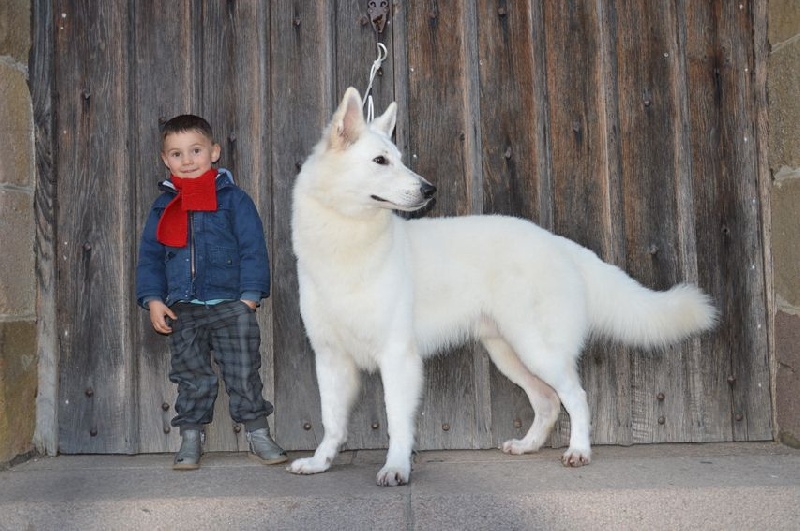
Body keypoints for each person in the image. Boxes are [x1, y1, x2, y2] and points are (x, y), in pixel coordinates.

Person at [136, 114, 286, 470]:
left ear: (214, 152)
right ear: (165, 159)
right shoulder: (162, 207)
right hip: (182, 308)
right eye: (176, 153)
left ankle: (258, 432)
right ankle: (191, 435)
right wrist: (153, 300)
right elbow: (150, 258)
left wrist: (249, 297)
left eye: (196, 150)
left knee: (243, 369)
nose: (187, 160)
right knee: (191, 375)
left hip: (230, 304)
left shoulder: (234, 200)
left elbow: (253, 248)